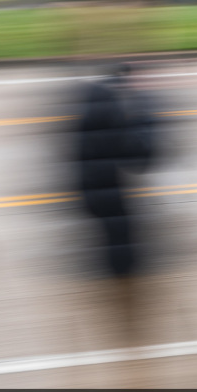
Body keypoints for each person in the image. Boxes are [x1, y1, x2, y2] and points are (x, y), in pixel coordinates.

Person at [73, 63, 159, 277]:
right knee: (122, 251)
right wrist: (145, 117)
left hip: (88, 186)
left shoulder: (94, 93)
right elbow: (139, 159)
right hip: (105, 192)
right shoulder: (112, 106)